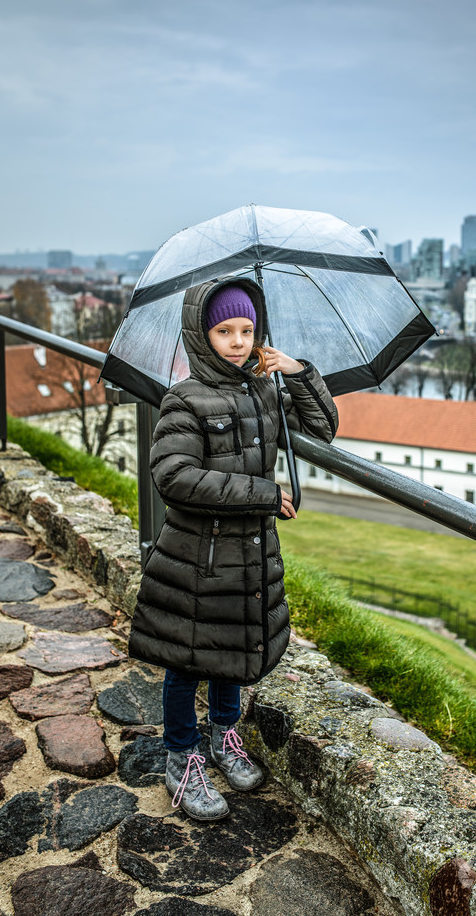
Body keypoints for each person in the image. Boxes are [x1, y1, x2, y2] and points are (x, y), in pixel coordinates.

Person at [128, 278, 338, 820]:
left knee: (231, 651)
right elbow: (173, 477)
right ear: (203, 335)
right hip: (196, 559)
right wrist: (265, 495)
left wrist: (297, 372)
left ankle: (224, 737)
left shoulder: (264, 391)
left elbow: (324, 427)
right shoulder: (185, 399)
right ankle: (182, 757)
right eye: (225, 331)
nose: (239, 341)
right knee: (185, 662)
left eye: (247, 330)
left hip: (248, 557)